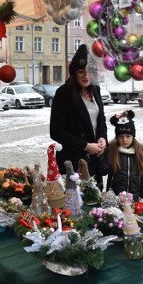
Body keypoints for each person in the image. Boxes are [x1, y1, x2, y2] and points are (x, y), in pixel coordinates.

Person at [50, 44, 108, 190]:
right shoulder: (63, 94)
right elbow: (56, 131)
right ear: (75, 73)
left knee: (95, 201)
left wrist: (102, 138)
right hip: (73, 161)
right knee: (74, 204)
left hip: (94, 160)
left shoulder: (96, 90)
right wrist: (86, 146)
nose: (86, 76)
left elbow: (101, 121)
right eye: (81, 72)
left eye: (89, 72)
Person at [105, 110, 143, 201]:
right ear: (117, 137)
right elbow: (105, 170)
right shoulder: (112, 150)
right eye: (121, 136)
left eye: (128, 136)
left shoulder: (141, 151)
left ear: (133, 136)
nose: (124, 140)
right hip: (116, 198)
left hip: (134, 197)